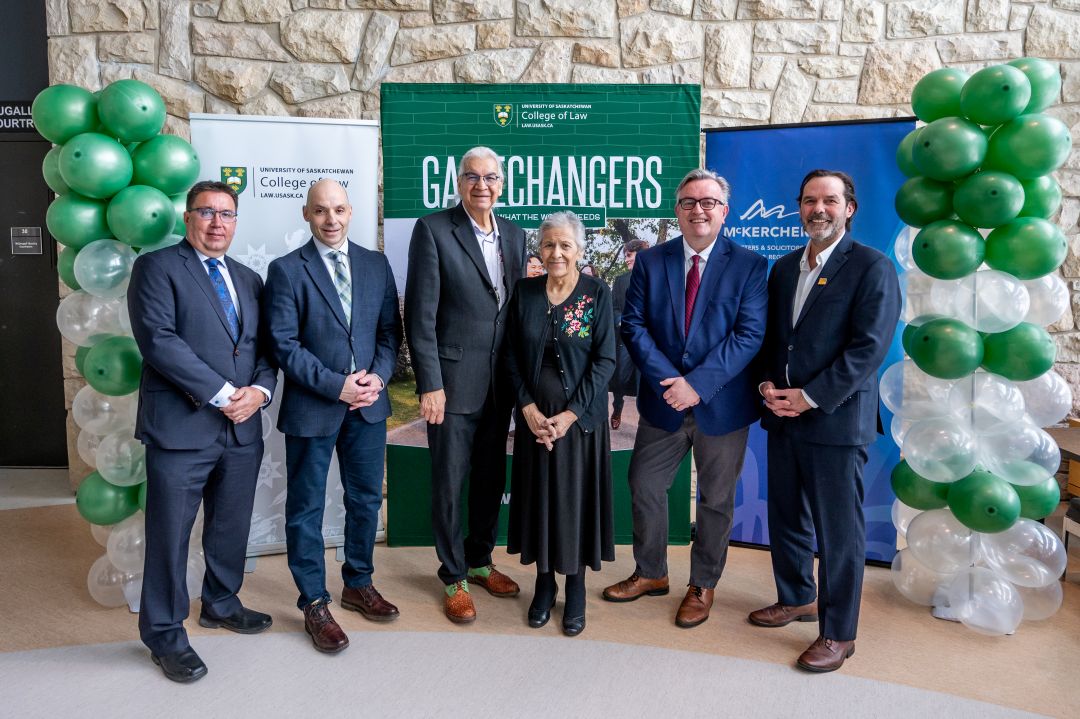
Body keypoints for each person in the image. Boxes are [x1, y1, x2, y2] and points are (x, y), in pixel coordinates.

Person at [749, 169, 901, 673]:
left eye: (830, 200)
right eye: (810, 200)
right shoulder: (785, 266)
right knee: (787, 517)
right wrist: (769, 384)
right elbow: (776, 339)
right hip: (783, 416)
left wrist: (810, 397)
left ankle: (839, 634)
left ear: (849, 208)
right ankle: (796, 597)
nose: (819, 209)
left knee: (840, 533)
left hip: (835, 420)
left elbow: (868, 350)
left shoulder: (872, 268)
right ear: (799, 207)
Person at [603, 169, 768, 630]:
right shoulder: (652, 262)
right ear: (677, 210)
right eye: (689, 202)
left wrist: (697, 384)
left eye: (709, 202)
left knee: (715, 500)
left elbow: (749, 334)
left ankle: (703, 584)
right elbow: (633, 325)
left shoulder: (751, 265)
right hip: (664, 402)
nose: (699, 209)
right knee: (644, 486)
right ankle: (651, 572)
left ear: (724, 210)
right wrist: (669, 379)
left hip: (722, 405)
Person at [128, 180, 277, 683]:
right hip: (181, 428)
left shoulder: (250, 279)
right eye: (208, 212)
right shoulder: (157, 268)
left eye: (228, 214)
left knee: (230, 525)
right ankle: (165, 635)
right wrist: (222, 393)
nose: (218, 223)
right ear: (188, 218)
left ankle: (220, 602)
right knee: (169, 535)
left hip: (242, 428)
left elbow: (264, 350)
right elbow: (159, 341)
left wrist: (258, 393)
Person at [263, 179, 402, 654]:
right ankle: (314, 601)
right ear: (306, 214)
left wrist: (377, 380)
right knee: (306, 507)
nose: (331, 219)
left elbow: (389, 334)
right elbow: (283, 344)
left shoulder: (375, 264)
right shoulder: (285, 270)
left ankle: (358, 582)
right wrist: (335, 385)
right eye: (321, 210)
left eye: (339, 209)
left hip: (368, 406)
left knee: (364, 499)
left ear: (351, 211)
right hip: (313, 407)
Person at [404, 146, 527, 622]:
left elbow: (514, 310)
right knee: (451, 482)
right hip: (452, 385)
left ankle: (479, 560)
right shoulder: (433, 230)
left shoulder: (516, 236)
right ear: (459, 182)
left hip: (500, 387)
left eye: (491, 177)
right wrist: (430, 383)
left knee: (492, 480)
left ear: (502, 184)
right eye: (472, 177)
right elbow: (420, 315)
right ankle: (453, 575)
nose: (482, 185)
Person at [505, 211, 616, 637]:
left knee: (573, 503)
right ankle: (544, 585)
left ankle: (576, 587)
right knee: (539, 502)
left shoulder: (596, 293)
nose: (556, 253)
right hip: (535, 423)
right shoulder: (525, 292)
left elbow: (606, 360)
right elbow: (511, 355)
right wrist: (529, 409)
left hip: (580, 424)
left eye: (565, 245)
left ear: (579, 250)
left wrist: (569, 416)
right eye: (549, 244)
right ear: (540, 248)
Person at [609, 239, 649, 430]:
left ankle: (643, 420)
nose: (626, 259)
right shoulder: (620, 280)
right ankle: (617, 407)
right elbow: (614, 307)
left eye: (629, 255)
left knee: (644, 382)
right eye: (625, 255)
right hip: (625, 340)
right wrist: (621, 320)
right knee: (620, 379)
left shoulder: (658, 278)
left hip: (648, 343)